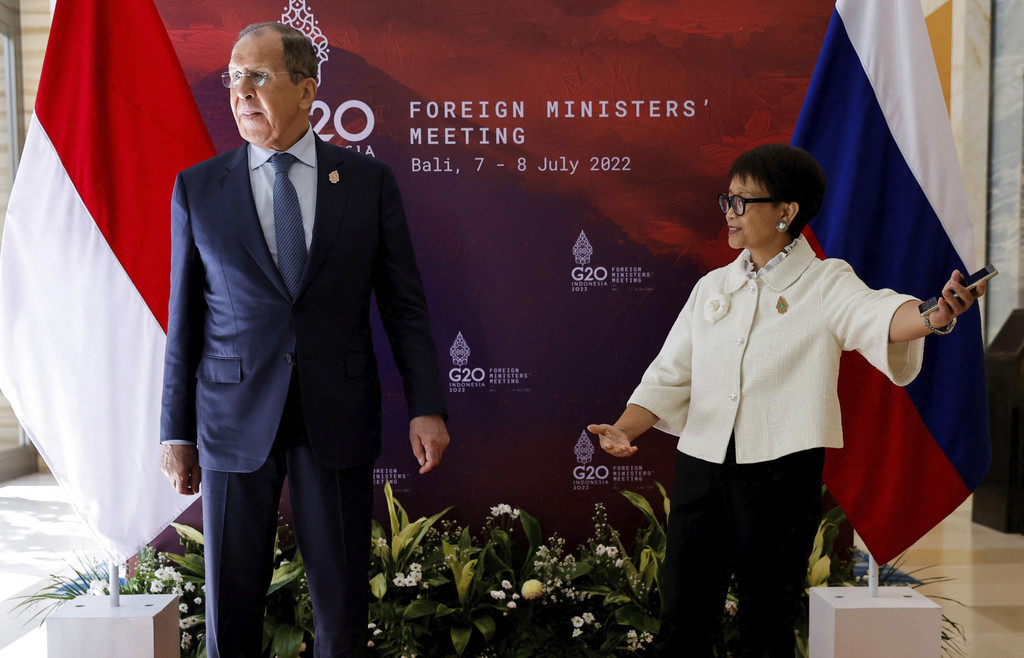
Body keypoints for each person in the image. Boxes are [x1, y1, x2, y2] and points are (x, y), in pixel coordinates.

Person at [587, 143, 985, 657]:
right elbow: (669, 375)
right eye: (727, 199)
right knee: (683, 619)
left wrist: (934, 315)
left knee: (767, 624)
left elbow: (879, 315)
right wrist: (624, 428)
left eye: (742, 201)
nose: (729, 212)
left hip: (781, 473)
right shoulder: (712, 286)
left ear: (786, 210)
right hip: (701, 466)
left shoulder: (824, 281)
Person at [159, 22, 450, 658]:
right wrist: (175, 433)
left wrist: (427, 404)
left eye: (258, 76)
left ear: (307, 90)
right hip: (232, 419)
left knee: (340, 609)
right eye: (234, 77)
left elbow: (404, 306)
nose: (241, 91)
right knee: (231, 608)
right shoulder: (198, 188)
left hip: (336, 414)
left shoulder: (368, 182)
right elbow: (185, 323)